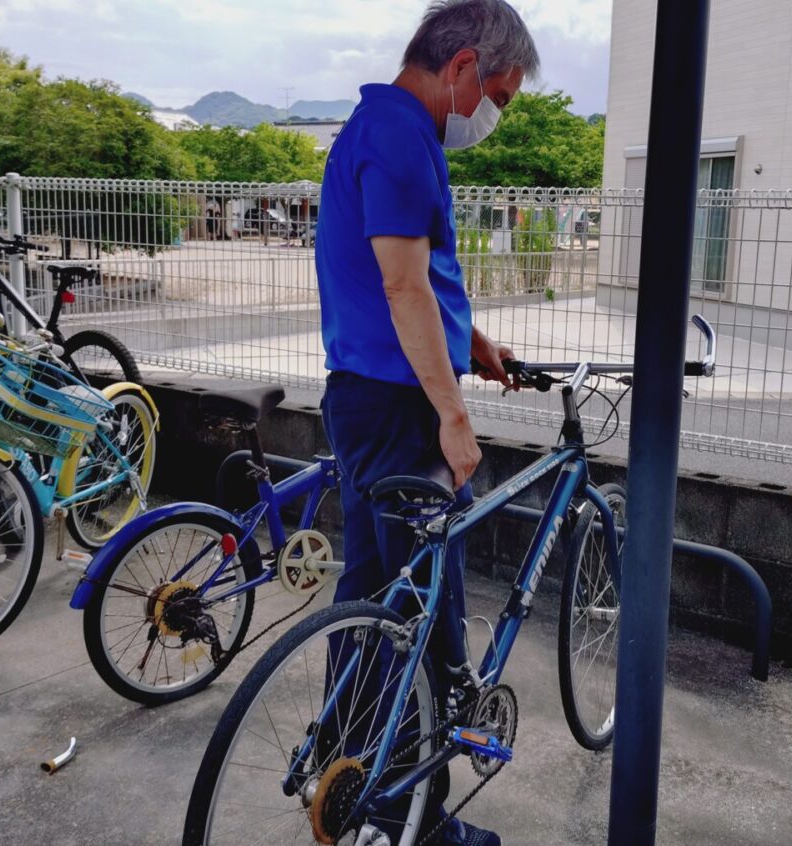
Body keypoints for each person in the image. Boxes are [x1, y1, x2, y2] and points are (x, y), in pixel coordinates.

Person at [314, 1, 539, 843]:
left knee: (373, 598)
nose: (492, 116)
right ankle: (414, 818)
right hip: (400, 409)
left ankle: (350, 775)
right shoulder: (404, 138)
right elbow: (403, 287)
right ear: (463, 66)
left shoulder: (376, 127)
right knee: (423, 612)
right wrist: (453, 413)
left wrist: (472, 342)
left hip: (366, 398)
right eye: (498, 98)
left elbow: (409, 275)